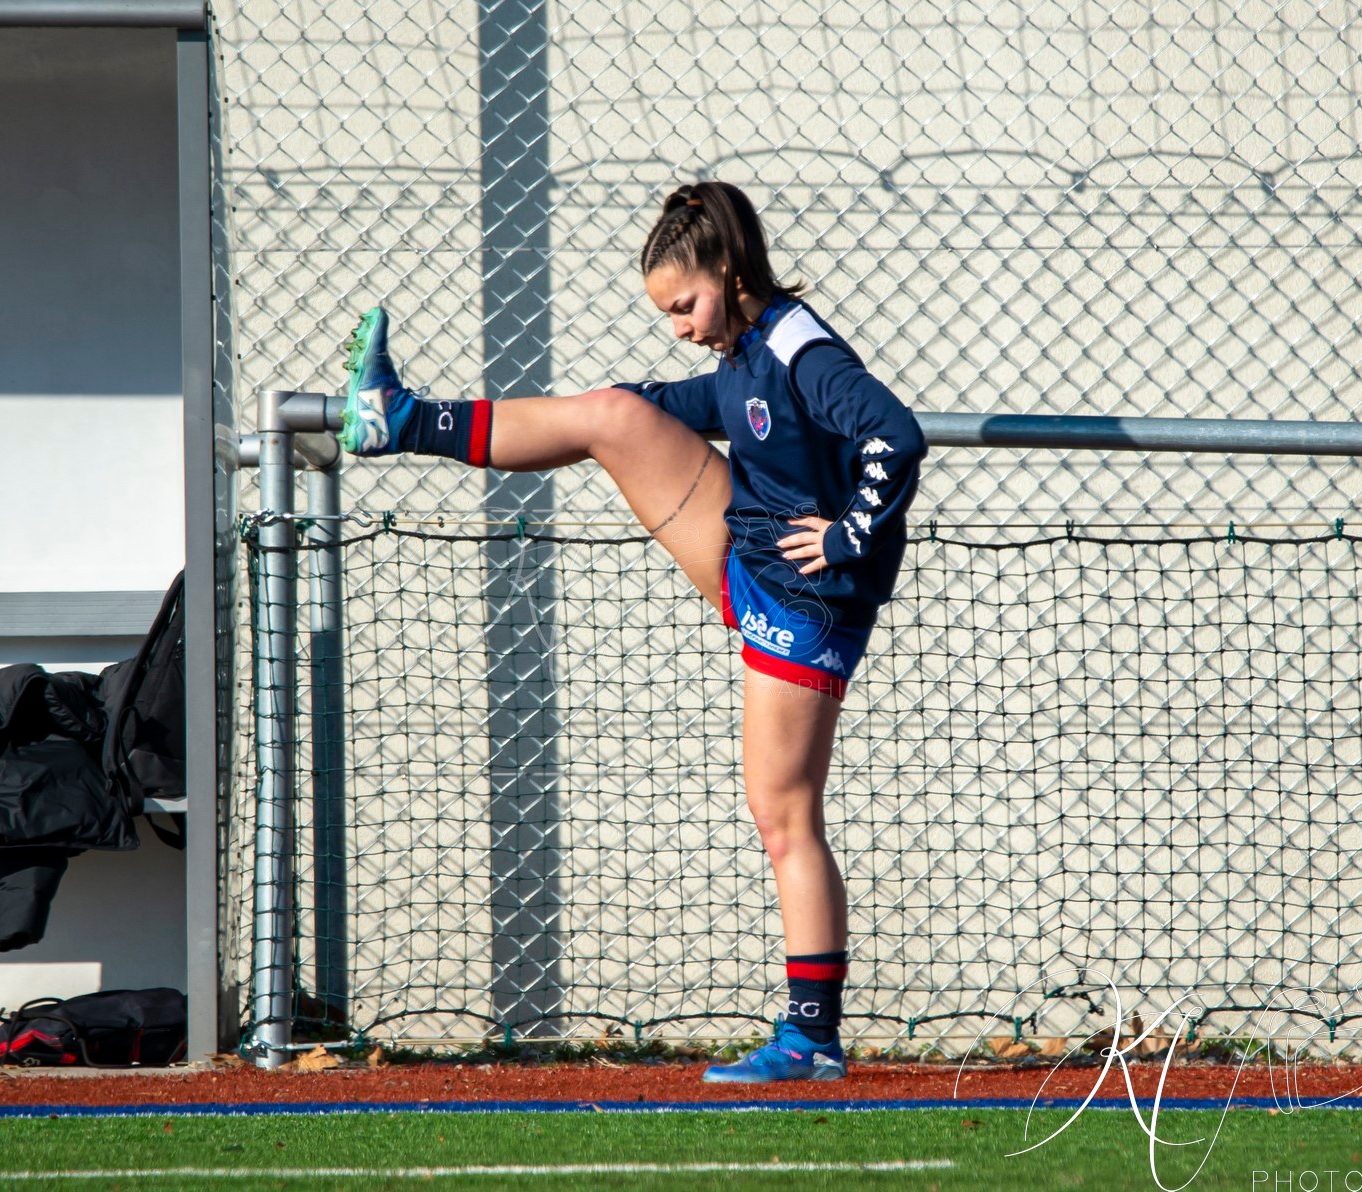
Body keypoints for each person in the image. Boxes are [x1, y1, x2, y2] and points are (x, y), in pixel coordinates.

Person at [335, 180, 926, 1082]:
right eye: (669, 313)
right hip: (752, 561)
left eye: (685, 304)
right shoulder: (745, 350)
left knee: (785, 817)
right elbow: (707, 410)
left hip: (806, 604)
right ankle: (401, 419)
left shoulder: (800, 347)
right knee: (613, 411)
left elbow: (895, 434)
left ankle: (810, 1039)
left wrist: (848, 536)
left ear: (729, 272)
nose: (681, 325)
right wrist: (644, 399)